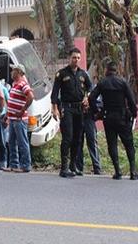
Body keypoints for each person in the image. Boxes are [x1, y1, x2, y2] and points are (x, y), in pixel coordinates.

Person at [89, 62, 138, 180]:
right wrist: (134, 113)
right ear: (117, 70)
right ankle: (133, 171)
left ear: (107, 70)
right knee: (128, 144)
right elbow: (131, 100)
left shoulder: (102, 83)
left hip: (108, 117)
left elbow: (92, 97)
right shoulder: (122, 82)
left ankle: (118, 172)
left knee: (112, 144)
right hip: (122, 117)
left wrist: (97, 112)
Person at [51, 47, 92, 178]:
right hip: (66, 108)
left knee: (78, 138)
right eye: (74, 57)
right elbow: (54, 93)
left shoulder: (83, 74)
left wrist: (87, 96)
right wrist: (55, 108)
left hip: (79, 109)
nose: (76, 60)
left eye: (78, 58)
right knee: (67, 137)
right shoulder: (61, 74)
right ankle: (64, 168)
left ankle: (73, 166)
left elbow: (90, 87)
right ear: (69, 58)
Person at [7, 63, 34, 173]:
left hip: (20, 119)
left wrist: (22, 110)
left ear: (18, 72)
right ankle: (14, 164)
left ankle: (25, 165)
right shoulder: (14, 84)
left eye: (13, 70)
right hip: (12, 118)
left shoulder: (23, 84)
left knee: (22, 142)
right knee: (12, 142)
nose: (11, 72)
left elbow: (31, 96)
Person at [75, 99, 102, 175]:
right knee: (78, 142)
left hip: (89, 117)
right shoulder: (76, 88)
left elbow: (99, 103)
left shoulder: (92, 88)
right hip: (78, 115)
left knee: (92, 141)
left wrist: (90, 103)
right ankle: (78, 167)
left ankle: (97, 167)